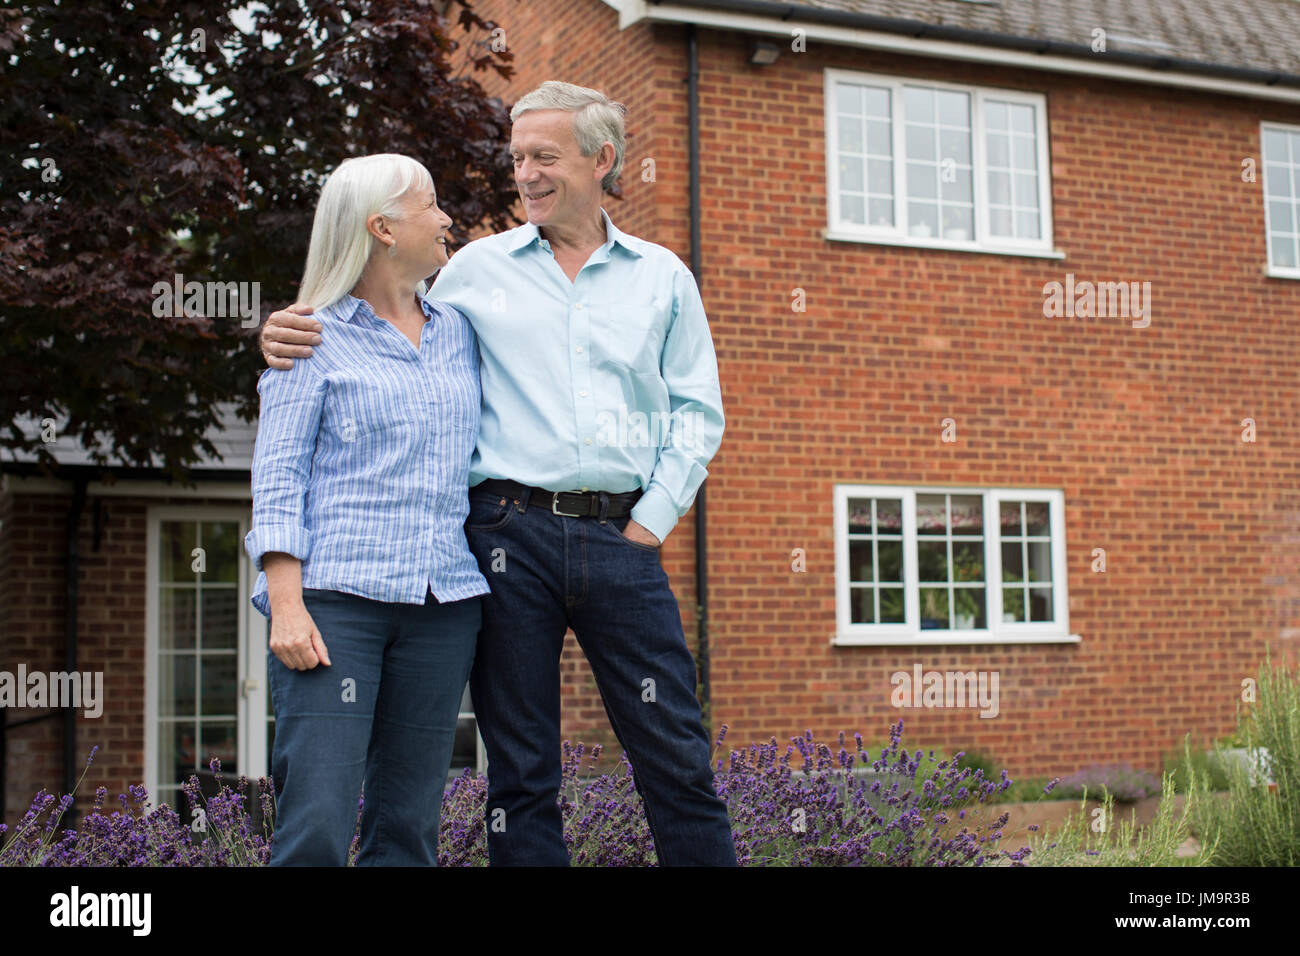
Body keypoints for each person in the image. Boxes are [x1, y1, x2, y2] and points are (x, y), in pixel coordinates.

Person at [262, 81, 737, 866]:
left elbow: (697, 413)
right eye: (517, 158)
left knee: (676, 754)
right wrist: (281, 330)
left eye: (543, 156)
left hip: (623, 536)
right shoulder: (473, 272)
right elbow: (371, 315)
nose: (525, 174)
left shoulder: (663, 278)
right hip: (505, 539)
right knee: (519, 770)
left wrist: (650, 522)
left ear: (600, 159)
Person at [246, 153, 488, 866]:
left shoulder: (462, 331)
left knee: (408, 828)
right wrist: (285, 604)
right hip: (335, 607)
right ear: (381, 227)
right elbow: (279, 477)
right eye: (432, 205)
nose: (448, 219)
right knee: (316, 822)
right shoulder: (311, 337)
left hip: (443, 605)